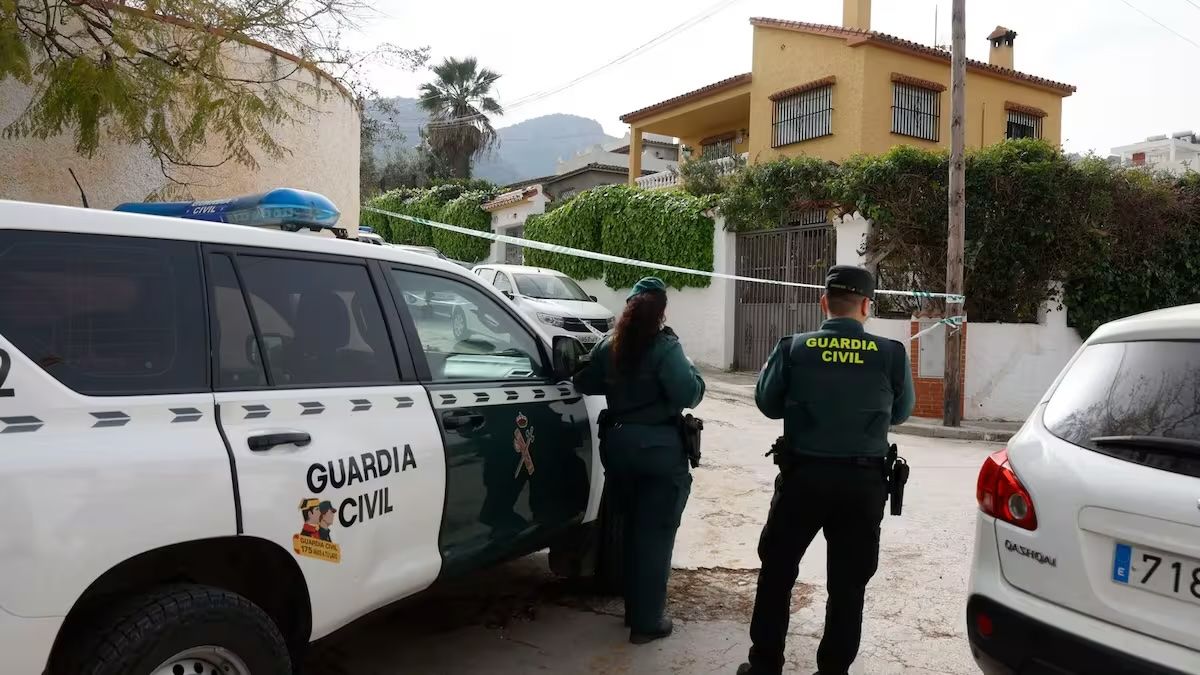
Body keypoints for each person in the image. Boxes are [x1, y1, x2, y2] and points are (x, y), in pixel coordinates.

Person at [738, 265, 914, 675]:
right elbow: (901, 414)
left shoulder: (794, 348)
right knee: (848, 585)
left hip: (803, 481)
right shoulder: (891, 354)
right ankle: (833, 670)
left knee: (778, 574)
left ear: (824, 303)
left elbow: (767, 404)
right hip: (863, 485)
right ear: (867, 306)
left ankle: (764, 665)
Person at [573, 276, 706, 645]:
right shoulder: (666, 347)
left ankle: (633, 608)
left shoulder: (608, 345)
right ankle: (645, 622)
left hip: (616, 447)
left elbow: (585, 381)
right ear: (661, 311)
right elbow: (690, 393)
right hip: (659, 451)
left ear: (628, 307)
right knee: (655, 535)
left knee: (629, 529)